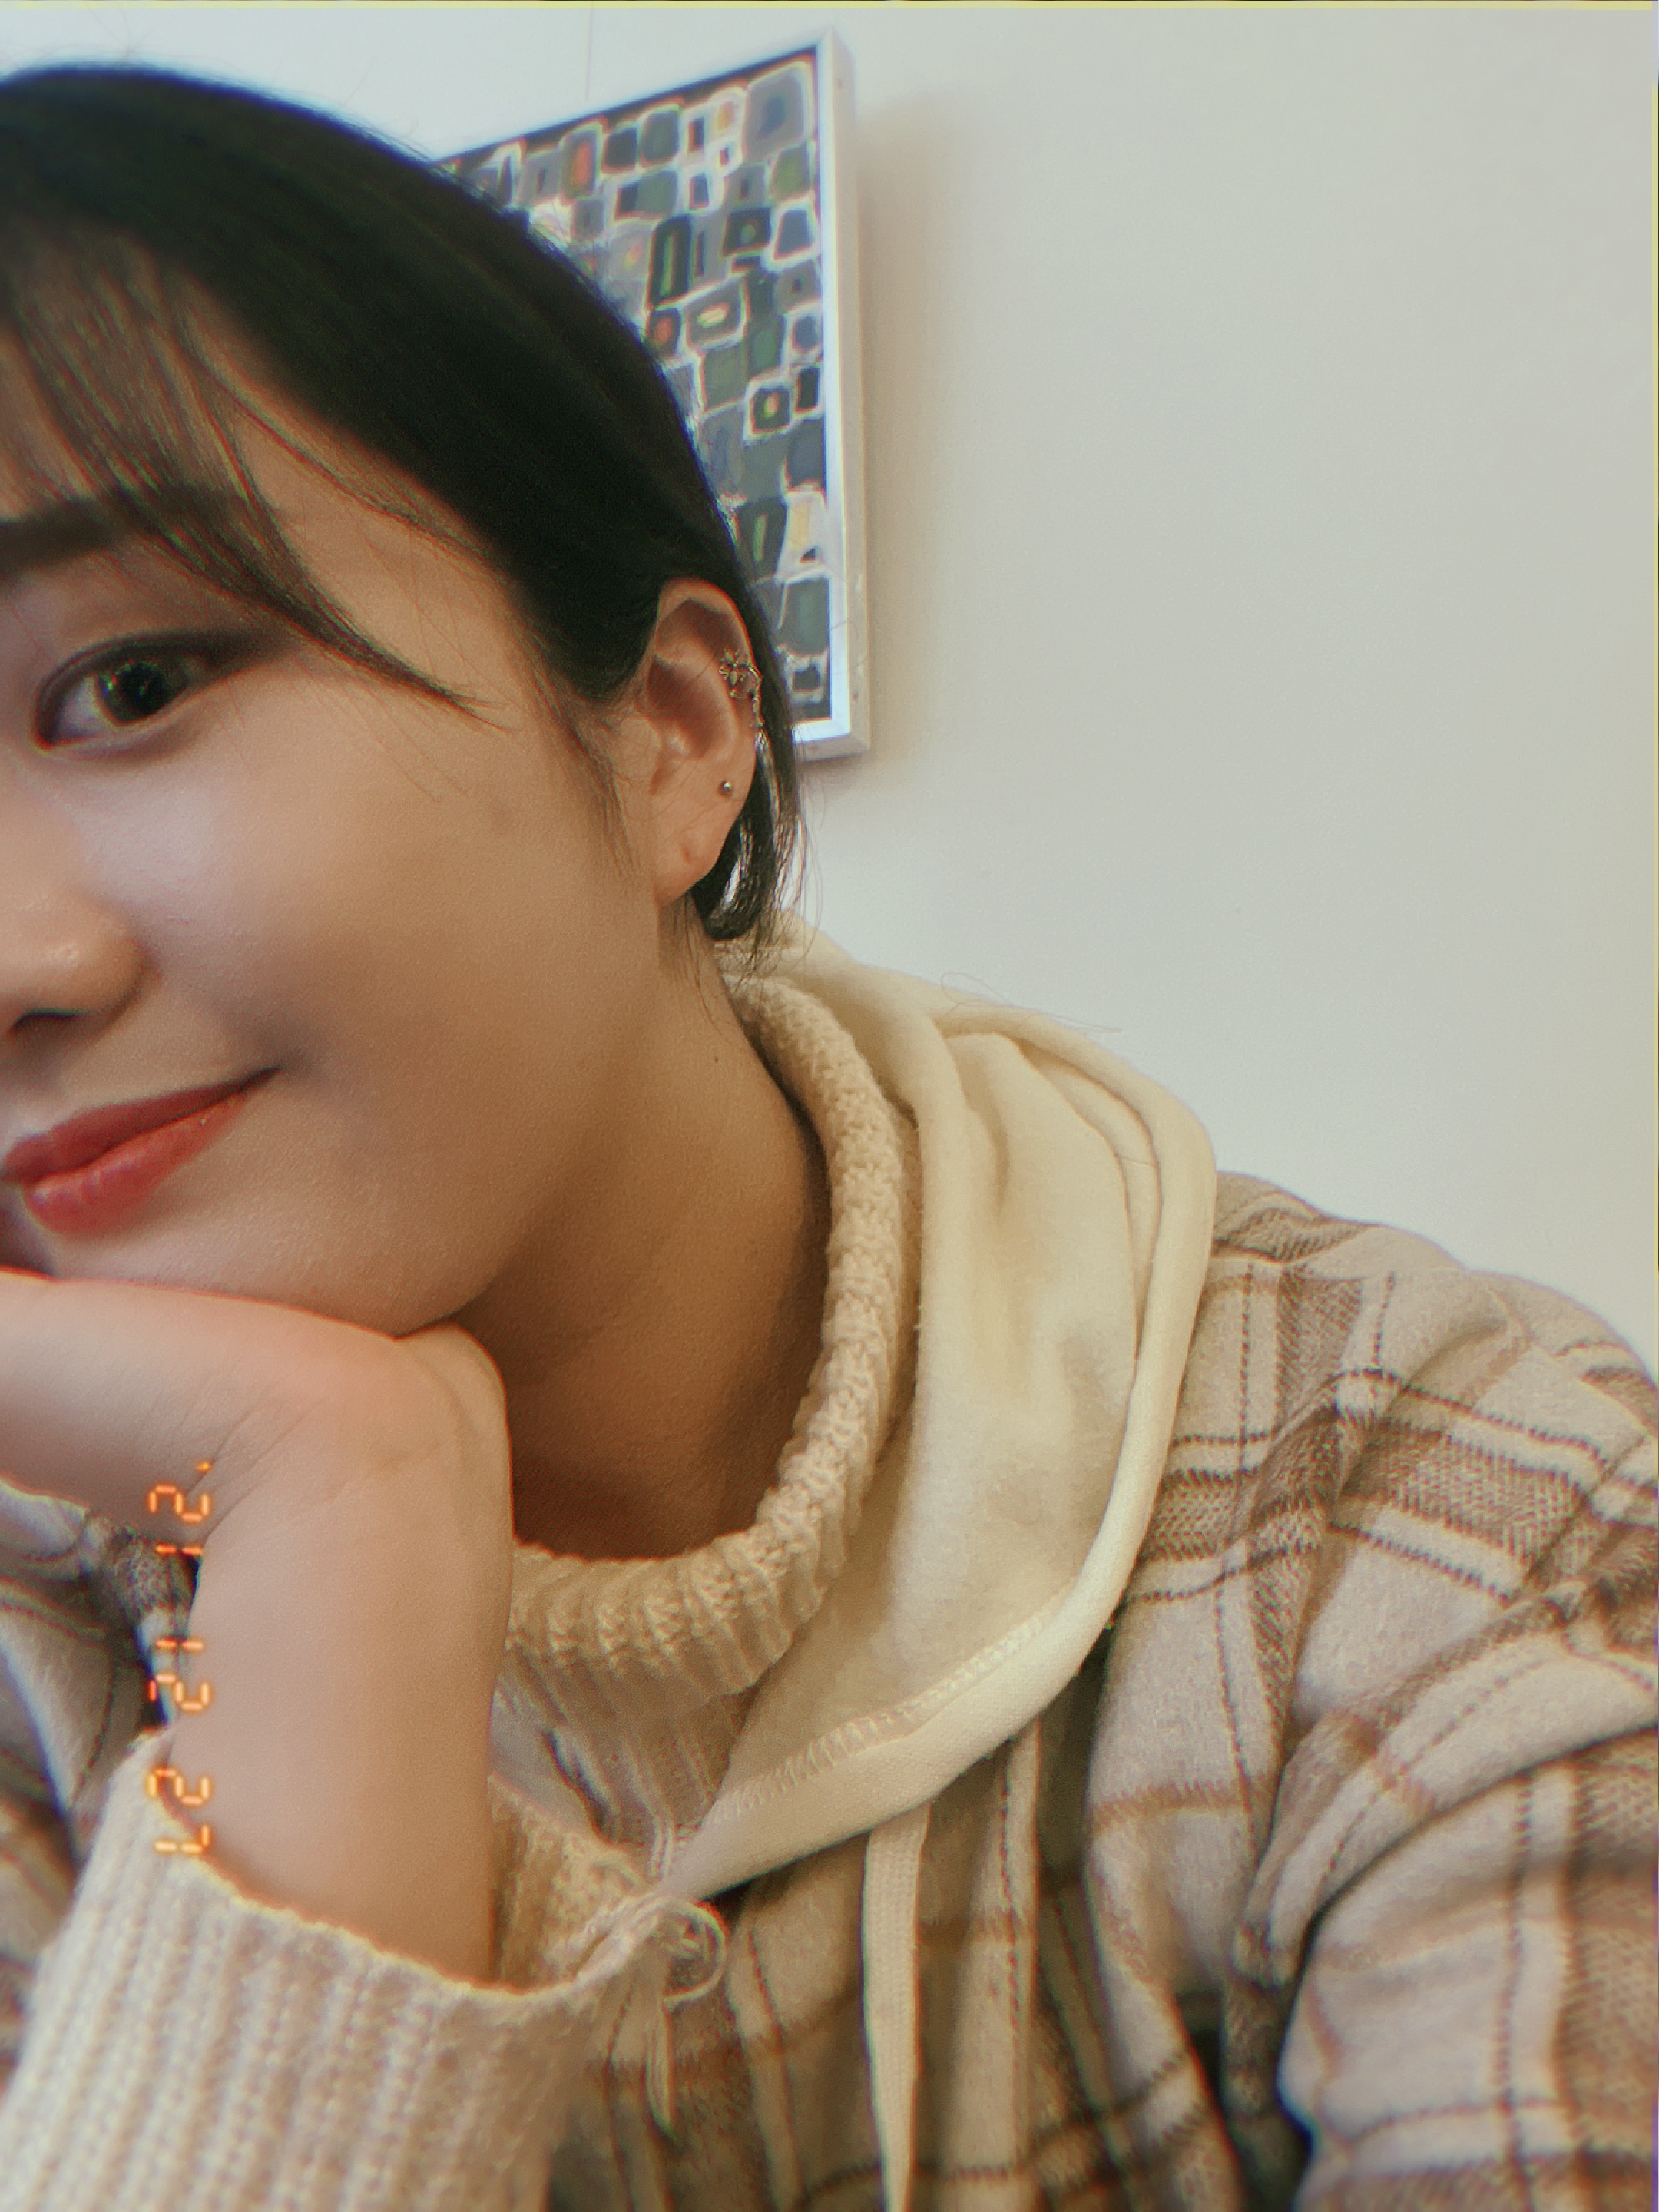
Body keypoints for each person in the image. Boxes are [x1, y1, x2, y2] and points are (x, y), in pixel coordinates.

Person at [0, 64, 1651, 2212]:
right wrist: (326, 1525)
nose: (18, 962)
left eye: (132, 686)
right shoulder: (41, 1639)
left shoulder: (1430, 1521)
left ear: (675, 734)